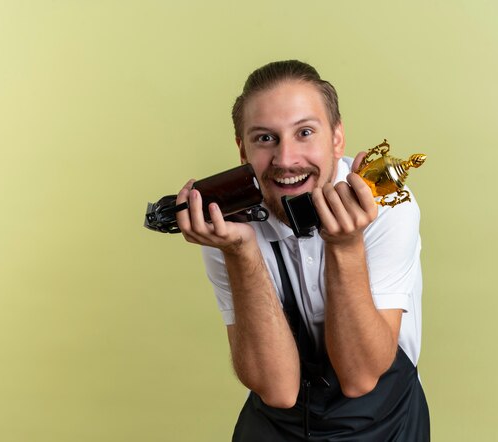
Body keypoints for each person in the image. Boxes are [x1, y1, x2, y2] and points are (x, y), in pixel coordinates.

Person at [176, 60, 429, 441]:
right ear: (242, 150)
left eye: (305, 132)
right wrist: (241, 253)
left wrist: (345, 246)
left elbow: (361, 377)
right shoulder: (227, 224)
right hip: (277, 426)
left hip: (385, 422)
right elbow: (277, 390)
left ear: (337, 139)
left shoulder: (388, 207)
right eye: (265, 138)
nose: (286, 159)